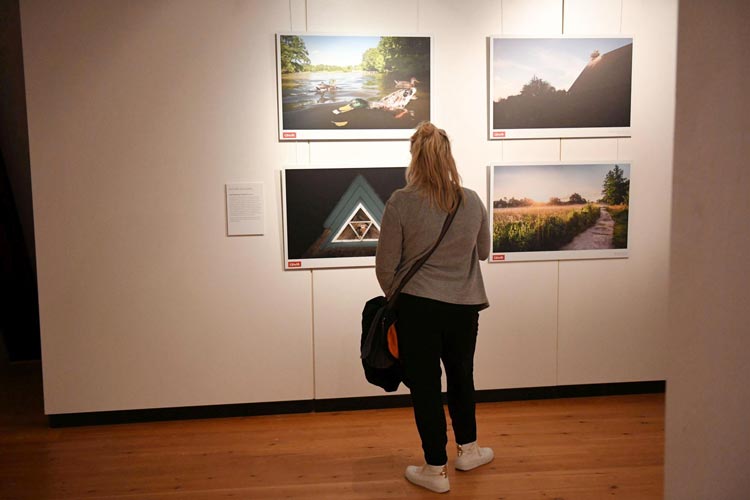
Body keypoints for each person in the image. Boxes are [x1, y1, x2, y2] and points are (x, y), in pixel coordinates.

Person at [375, 121, 494, 493]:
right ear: (447, 156)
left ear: (414, 156)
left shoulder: (401, 201)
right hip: (464, 308)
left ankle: (436, 469)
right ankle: (469, 450)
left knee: (425, 386)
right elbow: (485, 252)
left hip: (419, 309)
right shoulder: (471, 199)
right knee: (462, 377)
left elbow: (384, 266)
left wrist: (402, 299)